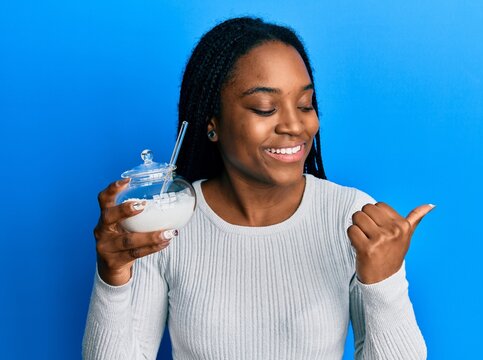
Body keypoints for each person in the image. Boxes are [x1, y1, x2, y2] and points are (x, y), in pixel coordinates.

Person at [83, 16, 433, 359]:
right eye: (265, 108)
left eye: (305, 105)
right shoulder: (167, 221)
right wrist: (112, 278)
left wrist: (383, 284)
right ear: (212, 123)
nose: (295, 125)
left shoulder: (351, 216)